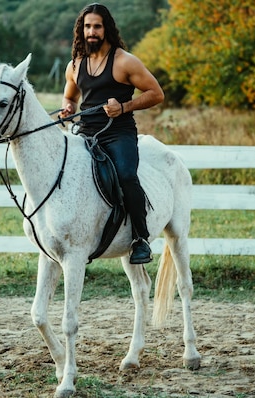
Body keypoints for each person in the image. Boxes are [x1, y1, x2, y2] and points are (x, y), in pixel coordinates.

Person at [59, 3, 164, 264]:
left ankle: (140, 239)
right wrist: (68, 107)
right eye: (87, 27)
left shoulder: (125, 61)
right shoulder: (75, 65)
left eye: (97, 26)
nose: (91, 32)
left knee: (127, 175)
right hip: (85, 134)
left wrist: (124, 106)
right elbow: (69, 95)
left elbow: (156, 94)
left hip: (119, 134)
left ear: (107, 29)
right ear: (81, 30)